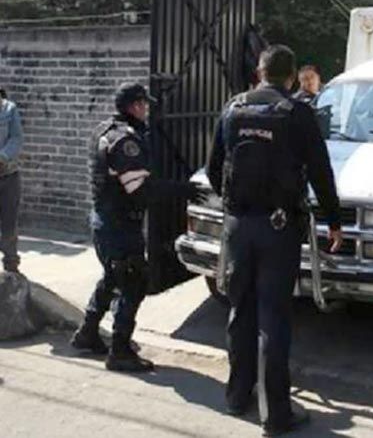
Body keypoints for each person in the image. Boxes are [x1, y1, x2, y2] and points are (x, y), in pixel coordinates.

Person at [207, 45, 342, 436]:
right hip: (279, 229)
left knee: (240, 310)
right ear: (291, 76)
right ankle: (276, 414)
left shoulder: (232, 108)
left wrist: (235, 206)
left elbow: (214, 168)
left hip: (238, 226)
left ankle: (237, 396)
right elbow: (320, 171)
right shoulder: (297, 113)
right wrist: (333, 221)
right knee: (273, 318)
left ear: (259, 72)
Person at [71, 83, 205, 372]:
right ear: (135, 106)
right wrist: (182, 190)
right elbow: (140, 190)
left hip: (105, 221)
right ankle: (120, 351)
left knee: (112, 277)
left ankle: (87, 333)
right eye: (144, 105)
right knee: (133, 282)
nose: (147, 111)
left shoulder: (104, 130)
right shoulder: (125, 142)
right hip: (120, 226)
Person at [0, 87, 23, 273]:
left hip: (7, 174)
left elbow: (16, 138)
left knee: (9, 222)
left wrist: (2, 157)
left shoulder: (9, 109)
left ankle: (11, 264)